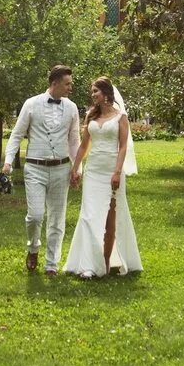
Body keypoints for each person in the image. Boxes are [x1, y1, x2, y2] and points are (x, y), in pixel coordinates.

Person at [0, 65, 81, 275]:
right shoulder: (31, 104)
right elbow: (17, 134)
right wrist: (8, 161)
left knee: (57, 218)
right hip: (35, 168)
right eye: (67, 84)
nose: (70, 87)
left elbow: (74, 140)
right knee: (35, 216)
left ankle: (51, 264)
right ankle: (33, 248)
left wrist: (77, 168)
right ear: (54, 84)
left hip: (61, 168)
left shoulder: (72, 108)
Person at [62, 77, 141, 278]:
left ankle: (105, 263)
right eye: (92, 91)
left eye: (95, 91)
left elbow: (123, 146)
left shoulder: (120, 117)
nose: (92, 95)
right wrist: (76, 167)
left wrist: (117, 172)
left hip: (112, 170)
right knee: (89, 215)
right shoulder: (91, 115)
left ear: (106, 93)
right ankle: (88, 265)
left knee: (110, 219)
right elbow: (84, 145)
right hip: (93, 171)